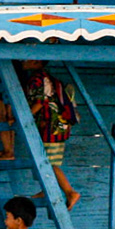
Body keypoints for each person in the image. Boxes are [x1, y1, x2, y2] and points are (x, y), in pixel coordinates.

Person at [19, 61, 80, 210]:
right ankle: (46, 188)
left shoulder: (37, 79)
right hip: (60, 125)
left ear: (35, 62)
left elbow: (39, 102)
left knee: (49, 163)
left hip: (50, 126)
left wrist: (22, 117)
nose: (22, 61)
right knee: (49, 161)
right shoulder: (47, 77)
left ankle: (70, 192)